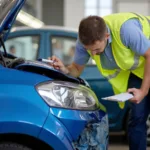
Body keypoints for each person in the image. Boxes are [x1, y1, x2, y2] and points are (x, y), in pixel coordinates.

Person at [48, 12, 150, 150]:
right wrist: (65, 69)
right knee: (137, 117)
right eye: (90, 50)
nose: (93, 54)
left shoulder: (126, 31)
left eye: (96, 49)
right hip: (139, 71)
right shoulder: (84, 42)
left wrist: (143, 91)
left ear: (106, 37)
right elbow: (77, 69)